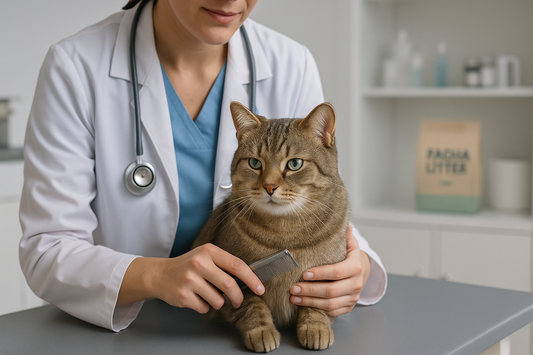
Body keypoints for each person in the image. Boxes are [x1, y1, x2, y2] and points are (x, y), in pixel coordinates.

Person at [19, 0, 387, 332]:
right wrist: (157, 276)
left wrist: (358, 268)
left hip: (247, 324)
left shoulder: (290, 62)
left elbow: (317, 193)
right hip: (133, 327)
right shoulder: (76, 66)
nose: (232, 1)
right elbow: (47, 249)